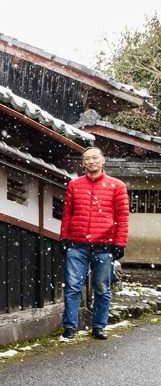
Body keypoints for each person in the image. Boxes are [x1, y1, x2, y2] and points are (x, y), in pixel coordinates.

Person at [59, 146, 129, 341]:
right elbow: (68, 214)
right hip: (77, 243)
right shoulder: (74, 185)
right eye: (87, 158)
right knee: (73, 287)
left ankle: (99, 326)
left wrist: (120, 243)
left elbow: (122, 217)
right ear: (83, 163)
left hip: (104, 244)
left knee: (102, 288)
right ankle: (69, 327)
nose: (91, 161)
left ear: (103, 160)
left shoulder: (117, 186)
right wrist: (64, 238)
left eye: (95, 157)